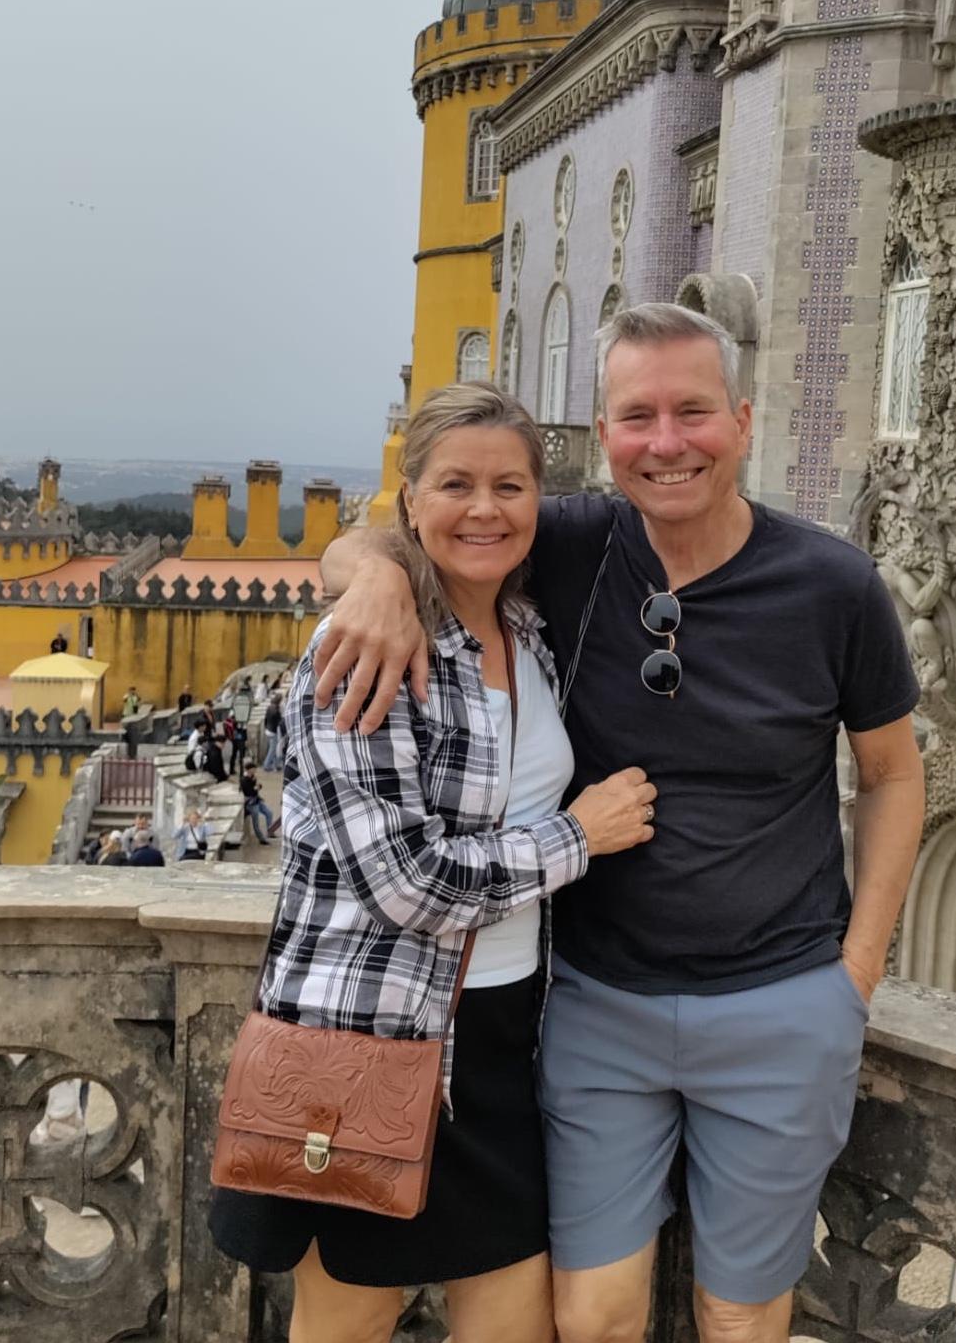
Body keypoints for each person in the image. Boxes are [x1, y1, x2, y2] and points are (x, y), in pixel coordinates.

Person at [316, 305, 925, 1343]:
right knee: (591, 1318)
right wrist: (371, 577)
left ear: (741, 420)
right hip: (599, 1010)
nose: (666, 442)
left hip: (780, 1005)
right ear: (604, 437)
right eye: (638, 417)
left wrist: (855, 973)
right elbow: (419, 525)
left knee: (739, 1316)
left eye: (693, 411)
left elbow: (894, 775)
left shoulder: (833, 586)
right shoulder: (568, 542)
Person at [209, 382, 654, 1343]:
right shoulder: (365, 649)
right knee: (350, 1322)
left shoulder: (528, 631)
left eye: (509, 486)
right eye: (456, 485)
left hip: (505, 1041)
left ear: (539, 501)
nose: (484, 509)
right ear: (410, 500)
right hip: (375, 1036)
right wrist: (581, 836)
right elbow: (406, 884)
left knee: (515, 1326)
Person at [238, 763, 276, 843]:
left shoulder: (252, 777)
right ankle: (261, 839)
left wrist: (256, 787)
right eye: (253, 769)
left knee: (269, 813)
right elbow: (250, 791)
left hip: (257, 800)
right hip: (251, 803)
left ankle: (270, 831)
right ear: (249, 769)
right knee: (256, 822)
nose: (255, 770)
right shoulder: (244, 779)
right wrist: (256, 787)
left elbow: (257, 787)